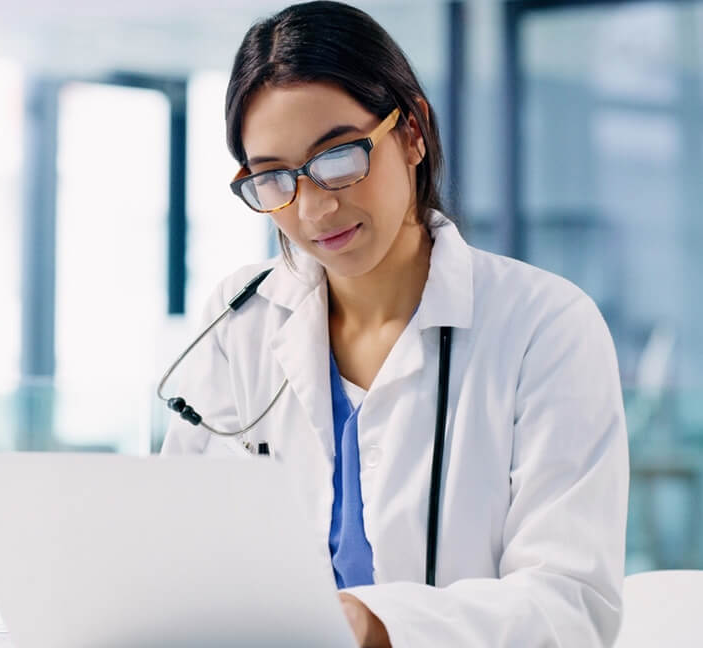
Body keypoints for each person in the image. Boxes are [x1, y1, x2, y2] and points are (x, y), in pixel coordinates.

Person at [161, 2, 629, 646]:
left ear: (411, 132)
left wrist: (376, 626)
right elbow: (176, 553)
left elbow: (571, 605)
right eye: (274, 177)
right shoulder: (239, 317)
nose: (316, 207)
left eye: (337, 157)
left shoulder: (545, 327)